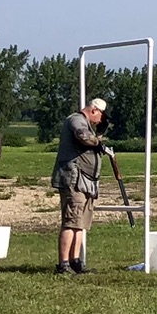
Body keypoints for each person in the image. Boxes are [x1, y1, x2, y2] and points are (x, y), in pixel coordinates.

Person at [51, 97, 108, 276]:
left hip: (85, 181)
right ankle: (64, 264)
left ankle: (76, 261)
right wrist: (97, 142)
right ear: (93, 110)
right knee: (71, 221)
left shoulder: (86, 123)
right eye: (101, 116)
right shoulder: (76, 120)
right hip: (74, 179)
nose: (101, 120)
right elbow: (82, 136)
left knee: (80, 223)